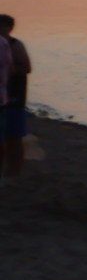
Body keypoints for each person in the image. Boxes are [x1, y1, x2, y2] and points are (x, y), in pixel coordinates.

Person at [0, 14, 31, 182]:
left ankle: (14, 170)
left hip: (15, 95)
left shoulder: (15, 45)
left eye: (3, 26)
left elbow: (26, 67)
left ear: (9, 28)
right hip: (3, 95)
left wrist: (9, 69)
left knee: (14, 135)